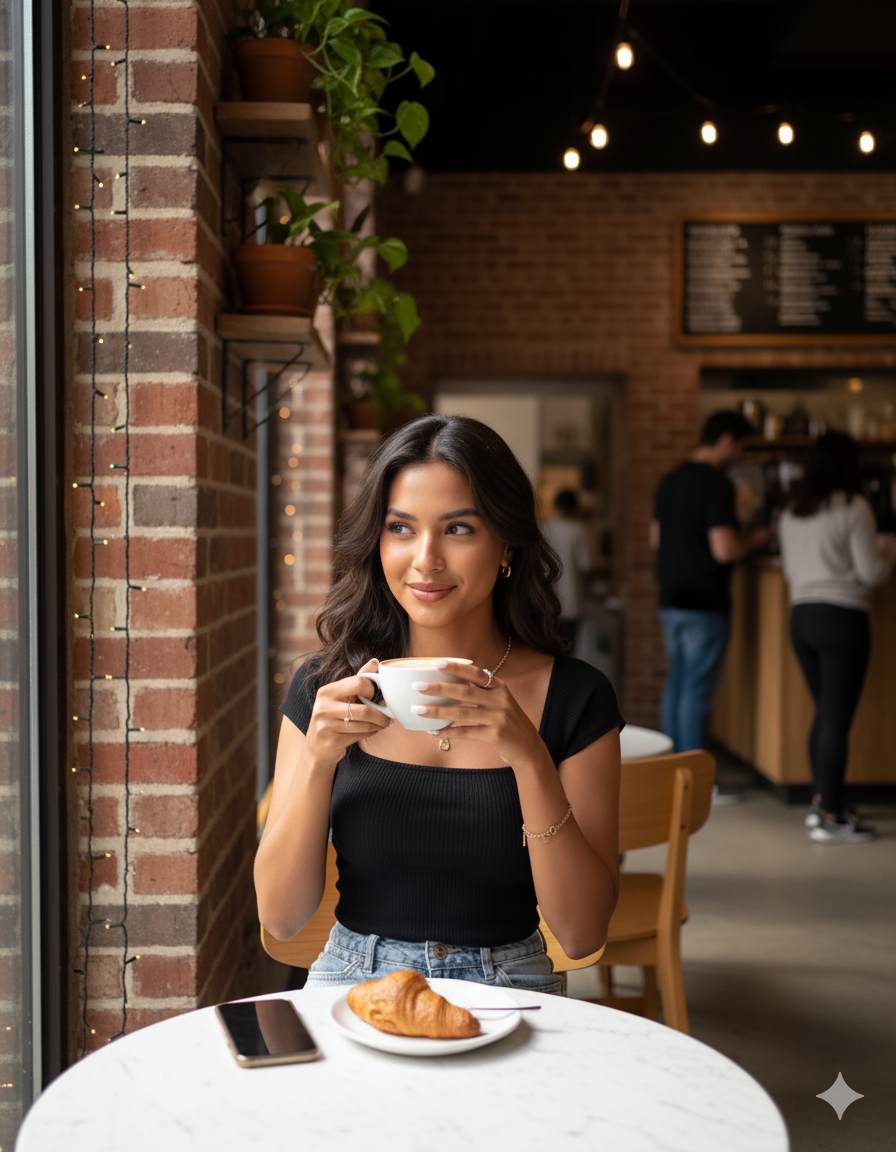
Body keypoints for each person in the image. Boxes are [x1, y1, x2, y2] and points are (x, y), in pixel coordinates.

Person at [256, 415, 624, 992]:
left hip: (513, 988)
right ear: (377, 541)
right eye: (401, 528)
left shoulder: (577, 698)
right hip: (352, 984)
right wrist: (319, 763)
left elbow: (581, 934)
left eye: (458, 530)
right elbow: (279, 917)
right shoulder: (323, 688)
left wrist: (529, 757)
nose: (425, 559)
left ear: (506, 544)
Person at [779, 432, 895, 844]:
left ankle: (823, 803)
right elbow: (871, 573)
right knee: (834, 717)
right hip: (841, 617)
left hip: (802, 617)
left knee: (826, 713)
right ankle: (830, 813)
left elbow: (793, 571)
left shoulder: (793, 510)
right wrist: (888, 550)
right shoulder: (853, 506)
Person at [650, 411, 770, 798]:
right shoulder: (718, 485)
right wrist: (756, 540)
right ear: (728, 439)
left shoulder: (669, 481)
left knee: (678, 685)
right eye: (743, 445)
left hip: (671, 598)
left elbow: (656, 540)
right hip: (705, 600)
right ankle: (699, 783)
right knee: (697, 691)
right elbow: (725, 549)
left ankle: (672, 773)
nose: (741, 454)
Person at [541, 489, 591, 651]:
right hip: (571, 599)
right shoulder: (578, 530)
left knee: (548, 650)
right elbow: (586, 565)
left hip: (545, 598)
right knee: (569, 650)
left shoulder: (543, 528)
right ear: (574, 507)